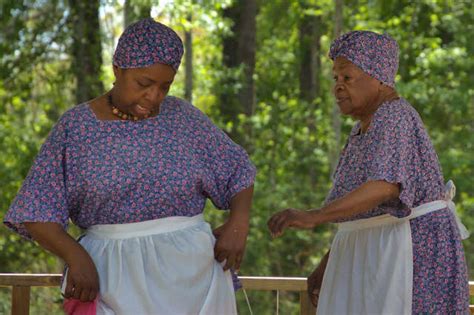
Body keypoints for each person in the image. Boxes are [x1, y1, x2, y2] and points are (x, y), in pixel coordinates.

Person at [4, 18, 256, 314]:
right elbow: (35, 210)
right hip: (111, 278)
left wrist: (239, 224)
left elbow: (238, 171)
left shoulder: (184, 119)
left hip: (194, 279)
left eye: (165, 86)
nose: (154, 96)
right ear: (117, 70)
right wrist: (76, 256)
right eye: (144, 83)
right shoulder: (77, 128)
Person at [267, 30, 470, 314]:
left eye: (347, 77)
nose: (337, 86)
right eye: (335, 78)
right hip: (376, 250)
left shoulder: (393, 115)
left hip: (409, 251)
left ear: (379, 77)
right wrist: (330, 261)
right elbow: (363, 211)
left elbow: (384, 187)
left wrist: (314, 216)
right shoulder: (362, 129)